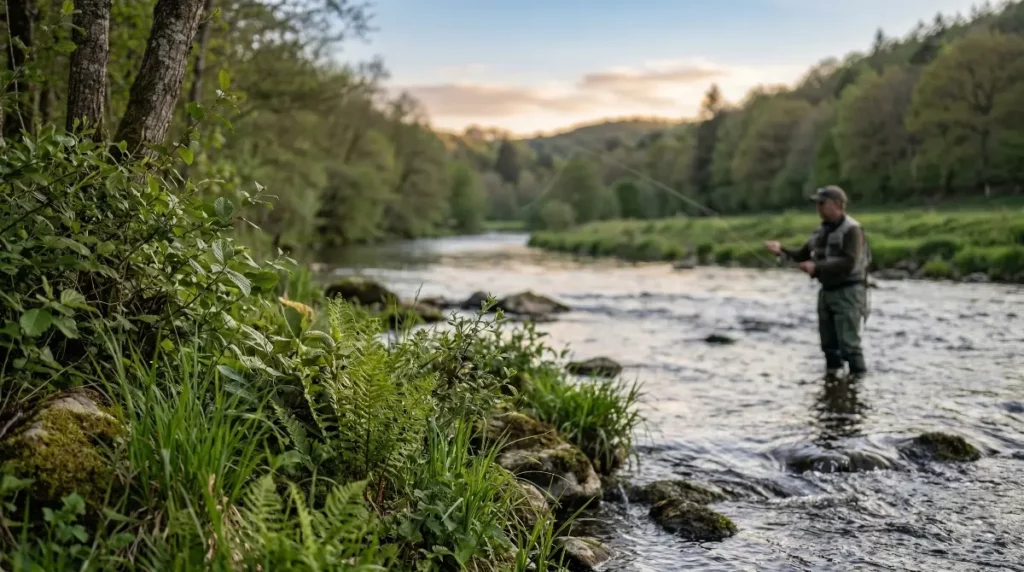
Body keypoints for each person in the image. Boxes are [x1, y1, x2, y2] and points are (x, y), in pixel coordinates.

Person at [764, 186, 869, 378]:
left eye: (822, 203)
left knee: (849, 346)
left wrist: (816, 267)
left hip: (849, 293)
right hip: (827, 292)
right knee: (828, 346)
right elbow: (802, 254)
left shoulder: (852, 230)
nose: (818, 208)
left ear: (838, 204)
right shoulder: (821, 231)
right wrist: (781, 250)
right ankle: (833, 384)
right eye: (817, 204)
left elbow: (849, 261)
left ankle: (859, 386)